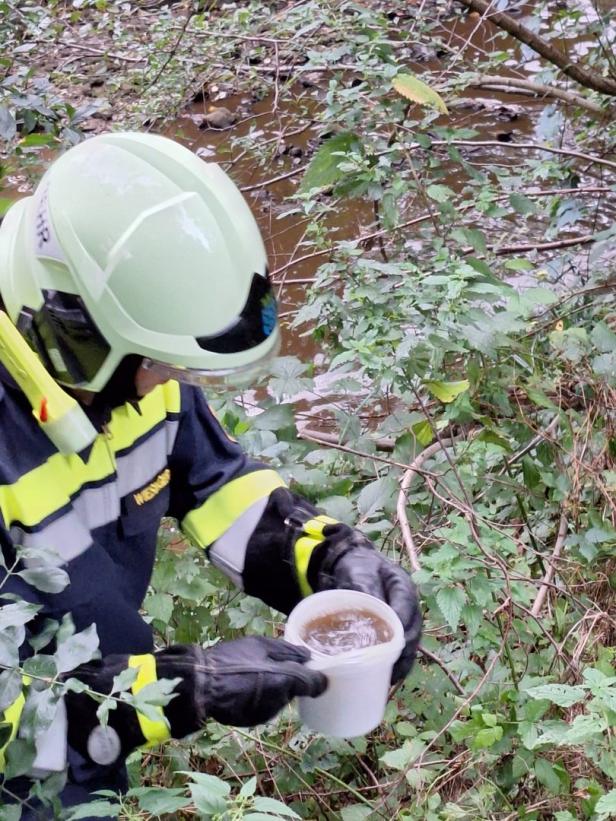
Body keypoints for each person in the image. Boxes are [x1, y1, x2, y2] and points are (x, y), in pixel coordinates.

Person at [0, 132, 422, 817]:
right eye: (159, 363)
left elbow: (215, 484)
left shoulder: (126, 374)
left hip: (90, 753)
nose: (172, 382)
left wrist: (329, 558)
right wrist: (181, 687)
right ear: (72, 331)